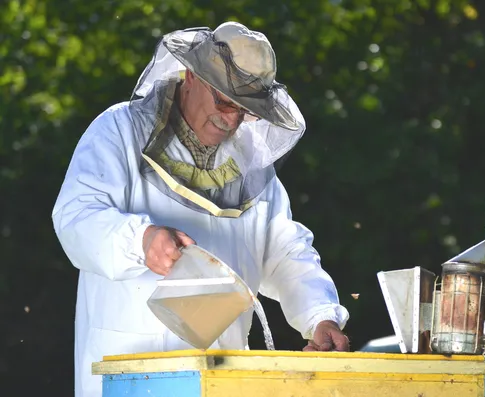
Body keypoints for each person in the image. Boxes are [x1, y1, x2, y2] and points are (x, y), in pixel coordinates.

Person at [51, 21, 350, 397]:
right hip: (125, 373)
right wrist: (140, 240)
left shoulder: (251, 166)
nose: (232, 119)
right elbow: (76, 217)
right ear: (192, 76)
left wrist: (320, 316)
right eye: (226, 101)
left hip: (221, 380)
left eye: (246, 110)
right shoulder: (119, 130)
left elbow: (286, 253)